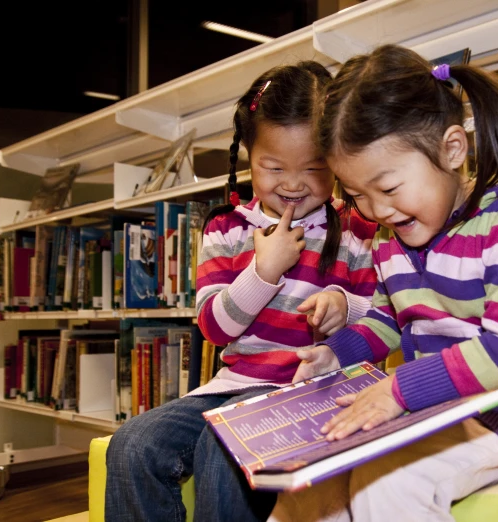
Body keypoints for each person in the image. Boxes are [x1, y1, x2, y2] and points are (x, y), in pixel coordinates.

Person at [270, 44, 498, 522]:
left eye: (389, 188)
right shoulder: (391, 241)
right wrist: (336, 353)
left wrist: (397, 391)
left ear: (452, 149)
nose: (377, 211)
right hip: (429, 411)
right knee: (305, 489)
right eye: (357, 195)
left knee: (388, 482)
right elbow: (387, 319)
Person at [105, 61, 377, 522]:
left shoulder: (355, 229)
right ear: (248, 157)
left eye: (313, 168)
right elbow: (213, 327)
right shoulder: (226, 229)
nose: (292, 184)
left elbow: (382, 315)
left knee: (223, 445)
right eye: (273, 167)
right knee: (131, 445)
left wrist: (344, 306)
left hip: (312, 391)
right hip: (234, 387)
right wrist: (262, 271)